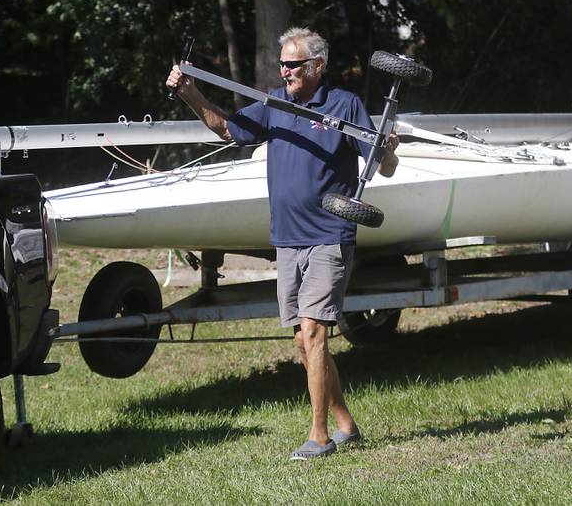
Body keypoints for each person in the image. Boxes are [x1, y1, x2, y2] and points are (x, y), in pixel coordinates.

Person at [166, 27, 398, 460]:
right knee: (301, 341)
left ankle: (320, 436)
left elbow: (382, 166)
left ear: (317, 66)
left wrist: (386, 148)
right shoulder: (275, 105)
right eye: (282, 63)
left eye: (292, 64)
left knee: (314, 333)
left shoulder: (344, 105)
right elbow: (226, 130)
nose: (284, 70)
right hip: (287, 239)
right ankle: (346, 422)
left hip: (329, 234)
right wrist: (191, 95)